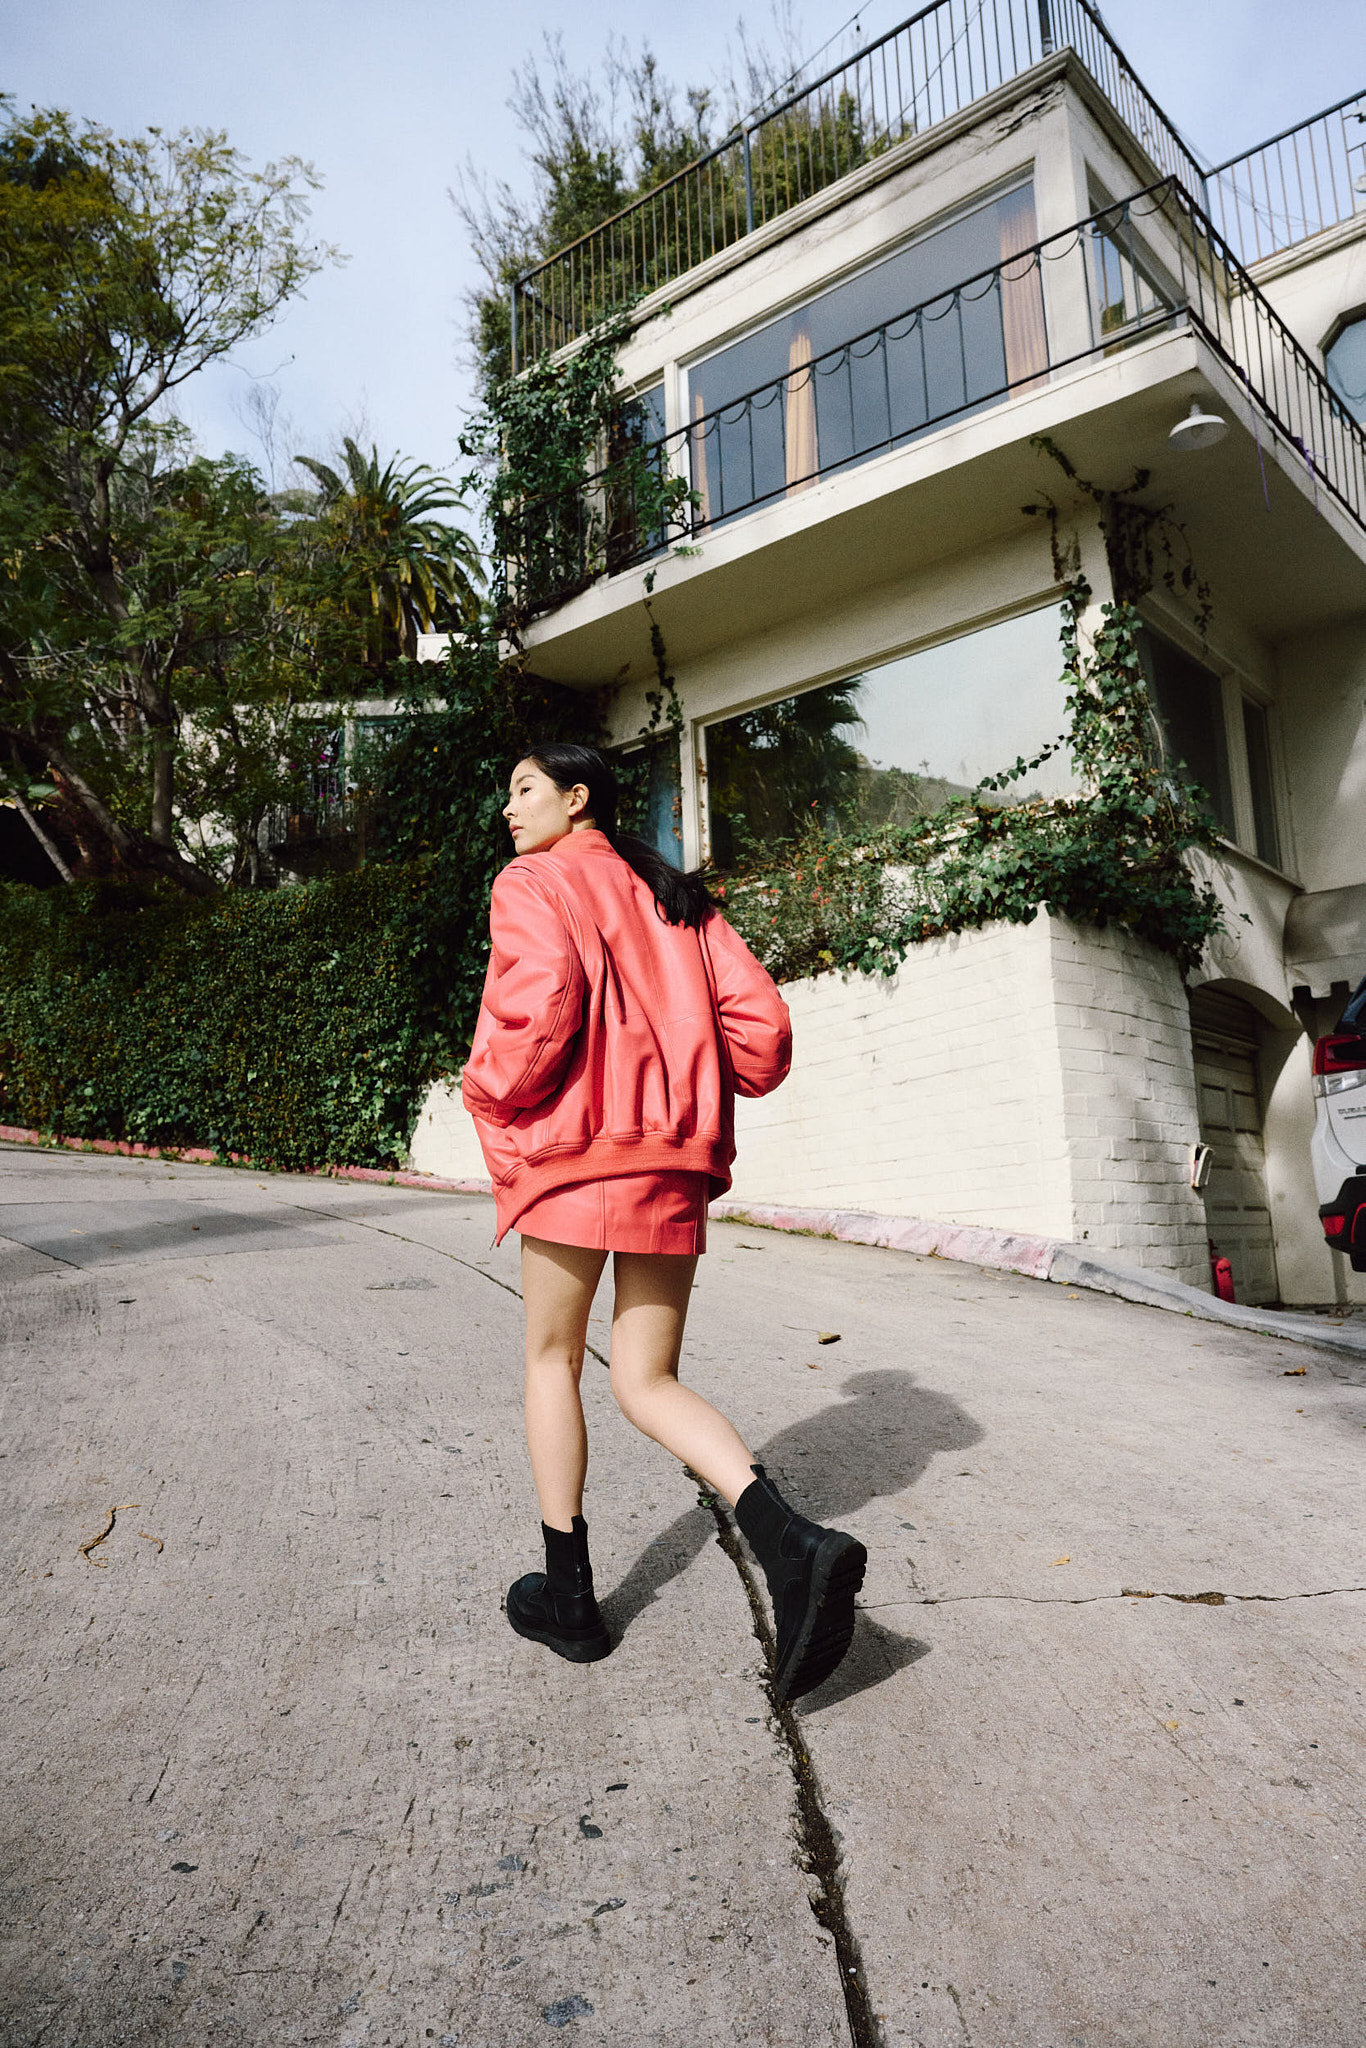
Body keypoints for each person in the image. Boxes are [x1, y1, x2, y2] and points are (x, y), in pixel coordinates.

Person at [461, 742, 867, 1703]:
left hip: (576, 1153)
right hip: (672, 1161)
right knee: (648, 1378)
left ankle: (570, 1601)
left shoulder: (532, 881)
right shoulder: (681, 899)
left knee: (551, 1360)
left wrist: (485, 1089)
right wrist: (683, 1079)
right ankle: (790, 1541)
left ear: (577, 797)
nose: (508, 809)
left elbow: (539, 1011)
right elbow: (763, 1037)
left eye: (523, 789)